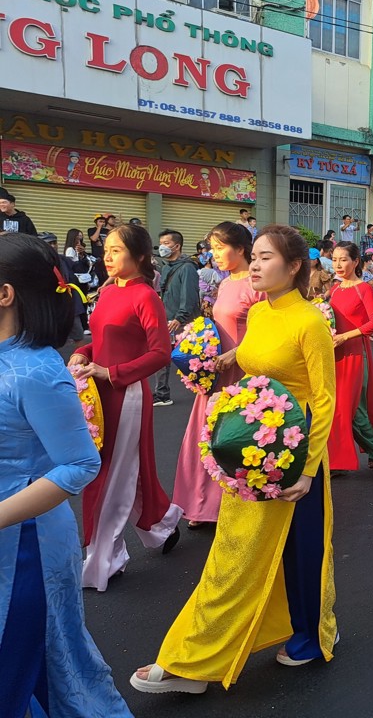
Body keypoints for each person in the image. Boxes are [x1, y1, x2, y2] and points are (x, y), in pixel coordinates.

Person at [131, 224, 337, 693]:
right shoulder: (262, 312)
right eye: (256, 257)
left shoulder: (310, 321)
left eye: (266, 258)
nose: (257, 266)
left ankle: (308, 632)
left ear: (296, 266)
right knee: (234, 547)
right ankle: (202, 655)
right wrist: (226, 359)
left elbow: (325, 399)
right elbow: (255, 351)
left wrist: (307, 470)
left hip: (292, 448)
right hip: (251, 443)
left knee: (298, 549)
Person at [0, 233, 132, 717]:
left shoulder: (36, 372)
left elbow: (80, 463)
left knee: (22, 664)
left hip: (24, 545)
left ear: (5, 294)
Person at [68, 224, 182, 591]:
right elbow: (100, 339)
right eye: (107, 250)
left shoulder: (146, 296)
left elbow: (160, 353)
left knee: (111, 474)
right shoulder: (106, 291)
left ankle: (105, 558)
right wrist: (81, 353)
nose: (108, 256)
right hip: (98, 395)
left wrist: (111, 372)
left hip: (126, 394)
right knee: (112, 471)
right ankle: (163, 525)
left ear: (140, 256)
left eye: (117, 250)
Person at [173, 223, 261, 530]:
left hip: (241, 372)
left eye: (220, 247)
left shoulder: (257, 284)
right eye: (212, 248)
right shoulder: (224, 283)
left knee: (231, 437)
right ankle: (202, 504)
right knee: (205, 436)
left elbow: (266, 332)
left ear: (241, 248)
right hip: (215, 372)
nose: (214, 254)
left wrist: (236, 354)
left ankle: (231, 502)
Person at [329, 242, 373, 470]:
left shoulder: (363, 288)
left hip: (355, 353)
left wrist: (347, 336)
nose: (338, 264)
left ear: (356, 262)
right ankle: (372, 449)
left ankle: (343, 460)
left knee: (348, 408)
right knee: (342, 408)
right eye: (334, 259)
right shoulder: (334, 289)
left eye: (343, 259)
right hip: (334, 353)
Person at [152, 229, 201, 407]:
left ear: (177, 246)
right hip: (167, 319)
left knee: (193, 358)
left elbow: (188, 296)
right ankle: (161, 393)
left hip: (182, 322)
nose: (163, 247)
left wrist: (180, 318)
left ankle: (204, 390)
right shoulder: (165, 267)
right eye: (161, 243)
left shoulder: (187, 268)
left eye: (166, 243)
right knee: (162, 355)